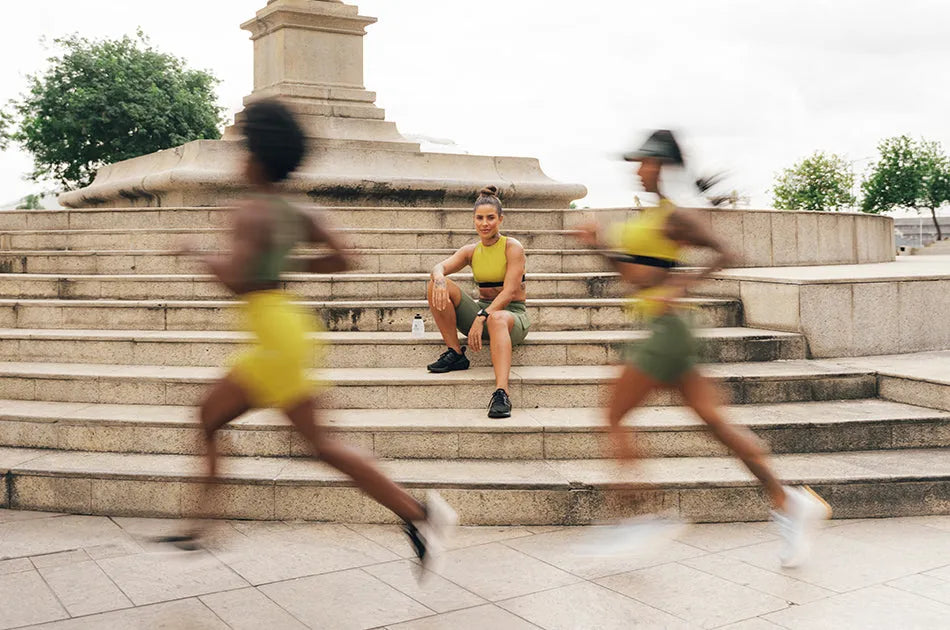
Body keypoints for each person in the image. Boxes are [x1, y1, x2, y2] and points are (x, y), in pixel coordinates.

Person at [166, 99, 456, 571]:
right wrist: (290, 262)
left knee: (301, 440)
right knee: (238, 424)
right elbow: (346, 256)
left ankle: (420, 513)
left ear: (255, 158)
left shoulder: (250, 212)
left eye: (243, 150)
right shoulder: (296, 208)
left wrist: (198, 253)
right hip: (287, 327)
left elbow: (237, 279)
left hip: (275, 336)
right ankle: (418, 513)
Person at [574, 130, 830, 568]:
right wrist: (600, 245)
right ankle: (790, 502)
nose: (638, 170)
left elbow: (727, 252)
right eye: (636, 163)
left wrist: (681, 284)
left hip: (667, 331)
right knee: (717, 424)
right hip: (672, 332)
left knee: (613, 415)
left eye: (645, 163)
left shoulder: (673, 218)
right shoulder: (653, 218)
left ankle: (642, 518)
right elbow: (636, 277)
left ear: (661, 167)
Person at [425, 186, 530, 418]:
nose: (485, 223)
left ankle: (502, 393)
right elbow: (438, 267)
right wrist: (440, 278)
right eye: (480, 218)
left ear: (500, 219)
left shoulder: (513, 248)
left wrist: (483, 317)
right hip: (483, 314)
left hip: (511, 316)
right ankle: (456, 353)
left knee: (497, 317)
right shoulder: (471, 251)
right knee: (434, 285)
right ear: (474, 221)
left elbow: (511, 291)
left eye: (491, 218)